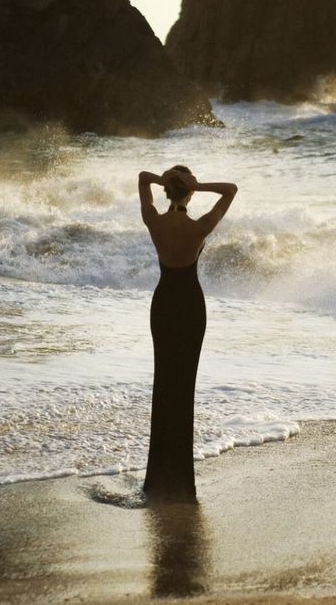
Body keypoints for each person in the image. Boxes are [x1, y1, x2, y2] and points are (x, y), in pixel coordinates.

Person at [138, 165, 238, 502]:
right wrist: (200, 184)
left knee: (163, 383)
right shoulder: (200, 227)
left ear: (166, 191)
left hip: (164, 303)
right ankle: (182, 481)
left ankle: (157, 479)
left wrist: (162, 180)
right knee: (184, 387)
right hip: (191, 306)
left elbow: (141, 177)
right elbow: (231, 189)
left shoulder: (154, 222)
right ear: (190, 193)